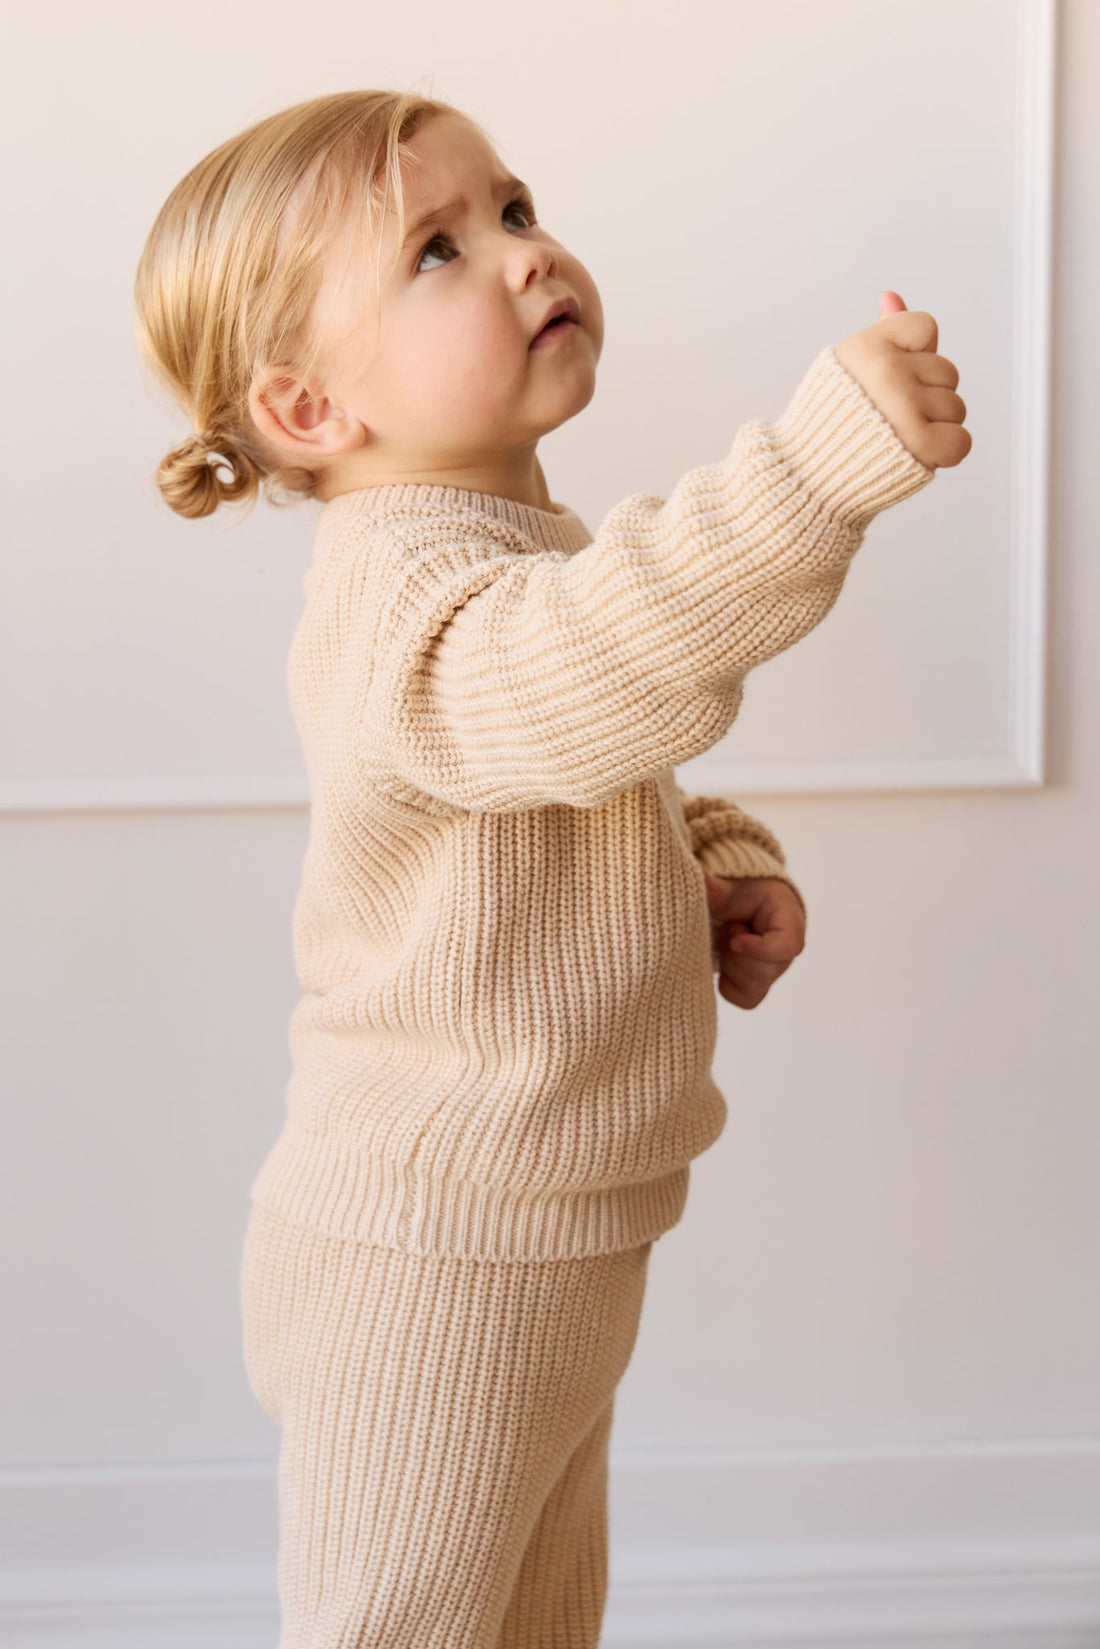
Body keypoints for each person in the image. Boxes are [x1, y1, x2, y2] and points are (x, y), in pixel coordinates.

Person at [133, 87, 970, 1649]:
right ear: (309, 408)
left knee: (534, 1612)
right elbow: (588, 664)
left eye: (513, 209)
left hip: (552, 1221)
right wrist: (808, 474)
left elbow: (580, 765)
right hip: (429, 1252)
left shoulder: (514, 548)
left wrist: (711, 860)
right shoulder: (398, 593)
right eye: (436, 250)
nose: (525, 253)